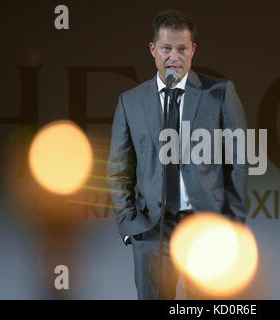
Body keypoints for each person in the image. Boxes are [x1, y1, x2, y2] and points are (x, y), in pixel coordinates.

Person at [106, 9, 247, 299]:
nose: (174, 56)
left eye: (182, 49)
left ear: (193, 50)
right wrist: (129, 224)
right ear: (153, 50)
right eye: (166, 48)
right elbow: (119, 168)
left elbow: (239, 161)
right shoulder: (130, 102)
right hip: (150, 230)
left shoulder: (220, 94)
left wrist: (233, 225)